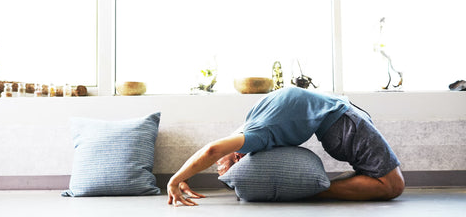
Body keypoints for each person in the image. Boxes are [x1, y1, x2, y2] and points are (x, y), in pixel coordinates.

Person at [167, 87, 405, 206]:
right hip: (343, 122)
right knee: (393, 185)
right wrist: (183, 175)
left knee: (389, 183)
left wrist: (176, 178)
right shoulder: (255, 127)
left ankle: (321, 190)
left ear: (237, 157)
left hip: (343, 121)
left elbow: (211, 150)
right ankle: (316, 191)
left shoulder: (253, 132)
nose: (217, 167)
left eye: (219, 167)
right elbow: (213, 151)